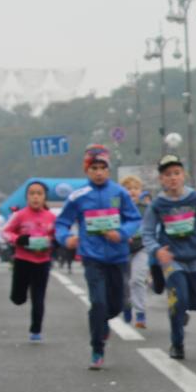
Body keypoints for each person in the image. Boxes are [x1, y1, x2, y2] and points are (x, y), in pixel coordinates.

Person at [54, 145, 142, 369]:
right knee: (98, 302)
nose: (99, 172)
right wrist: (67, 239)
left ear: (108, 170)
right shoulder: (78, 196)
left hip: (118, 257)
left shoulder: (119, 193)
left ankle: (102, 323)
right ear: (87, 170)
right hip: (92, 257)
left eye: (103, 167)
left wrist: (121, 233)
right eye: (94, 168)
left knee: (117, 304)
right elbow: (62, 222)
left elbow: (134, 218)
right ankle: (97, 347)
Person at [142, 154, 196, 361]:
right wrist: (157, 250)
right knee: (178, 300)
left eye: (176, 173)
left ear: (183, 175)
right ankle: (177, 344)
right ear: (161, 179)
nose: (173, 178)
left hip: (194, 257)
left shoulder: (195, 199)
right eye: (167, 175)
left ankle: (182, 310)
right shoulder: (157, 204)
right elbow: (147, 233)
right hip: (172, 259)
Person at [2, 181, 56, 341]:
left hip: (42, 261)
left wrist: (52, 241)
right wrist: (19, 239)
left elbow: (58, 235)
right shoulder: (19, 215)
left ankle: (36, 330)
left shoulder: (51, 217)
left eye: (39, 193)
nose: (35, 197)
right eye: (32, 193)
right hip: (23, 260)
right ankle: (19, 295)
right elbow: (5, 232)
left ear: (45, 197)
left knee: (38, 296)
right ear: (26, 197)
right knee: (18, 298)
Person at [119, 175, 149, 328]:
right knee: (123, 283)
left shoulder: (146, 209)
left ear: (141, 191)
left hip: (141, 249)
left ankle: (140, 313)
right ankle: (126, 304)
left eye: (135, 189)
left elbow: (152, 227)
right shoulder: (118, 209)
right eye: (128, 189)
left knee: (137, 279)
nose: (132, 192)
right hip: (122, 250)